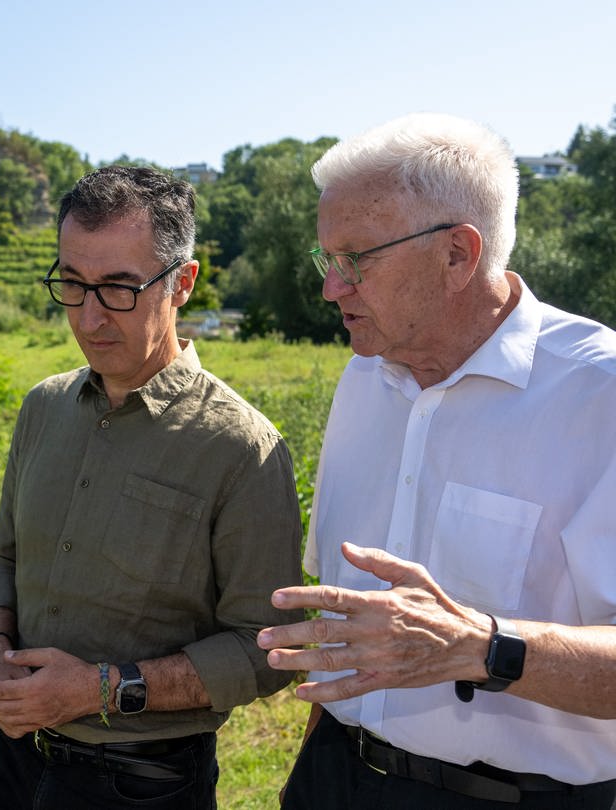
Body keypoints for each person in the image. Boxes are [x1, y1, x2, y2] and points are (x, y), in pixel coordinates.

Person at [256, 113, 616, 809]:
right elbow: (349, 622)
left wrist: (481, 646)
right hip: (336, 773)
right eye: (326, 259)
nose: (333, 288)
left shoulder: (598, 396)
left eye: (357, 259)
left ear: (458, 254)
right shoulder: (364, 378)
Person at [0, 165, 304, 810]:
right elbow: (4, 557)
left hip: (142, 783)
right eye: (73, 284)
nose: (89, 318)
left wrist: (101, 688)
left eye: (118, 287)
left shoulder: (242, 447)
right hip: (8, 756)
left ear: (183, 283)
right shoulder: (43, 407)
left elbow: (266, 648)